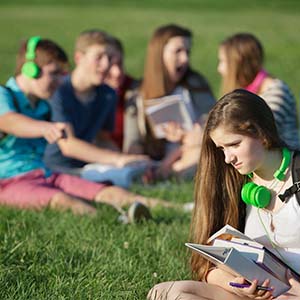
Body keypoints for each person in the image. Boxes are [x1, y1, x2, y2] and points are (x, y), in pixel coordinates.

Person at [148, 89, 300, 299]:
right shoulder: (234, 180)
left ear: (261, 133)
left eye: (234, 144)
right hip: (260, 292)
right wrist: (235, 283)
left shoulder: (297, 172)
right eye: (221, 149)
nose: (228, 158)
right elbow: (206, 266)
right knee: (162, 292)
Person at [0, 36, 171, 220]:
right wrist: (44, 128)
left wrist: (126, 160)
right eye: (54, 73)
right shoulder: (4, 94)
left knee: (108, 192)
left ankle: (182, 208)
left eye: (61, 75)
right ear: (30, 70)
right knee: (63, 200)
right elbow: (9, 121)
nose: (59, 81)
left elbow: (73, 138)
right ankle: (118, 223)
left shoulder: (44, 104)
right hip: (9, 182)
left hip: (48, 174)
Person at [43, 29, 152, 188]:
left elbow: (102, 138)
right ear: (79, 58)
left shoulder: (107, 94)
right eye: (99, 57)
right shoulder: (59, 90)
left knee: (129, 175)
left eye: (109, 57)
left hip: (87, 166)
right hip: (54, 168)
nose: (106, 64)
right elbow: (68, 145)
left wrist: (129, 161)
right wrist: (117, 160)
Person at [125, 24, 215, 180]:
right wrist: (140, 164)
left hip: (191, 151)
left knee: (199, 154)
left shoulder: (196, 84)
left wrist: (184, 138)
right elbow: (133, 141)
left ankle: (172, 173)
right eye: (178, 51)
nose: (185, 59)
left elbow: (212, 124)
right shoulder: (136, 92)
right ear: (159, 54)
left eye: (187, 52)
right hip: (154, 160)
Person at [217, 32, 300, 150]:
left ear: (238, 62)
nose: (219, 69)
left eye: (223, 61)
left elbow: (257, 132)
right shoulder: (245, 92)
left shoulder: (276, 91)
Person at [102, 35, 140, 153]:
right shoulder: (86, 93)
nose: (117, 72)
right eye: (110, 65)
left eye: (120, 64)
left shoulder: (134, 88)